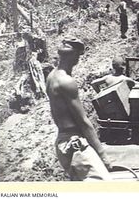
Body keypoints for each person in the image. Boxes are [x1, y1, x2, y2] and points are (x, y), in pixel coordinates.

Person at [46, 37, 112, 181]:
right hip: (74, 143)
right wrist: (103, 155)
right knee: (106, 184)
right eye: (78, 55)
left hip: (62, 140)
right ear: (74, 56)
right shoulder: (67, 82)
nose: (79, 59)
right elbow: (83, 121)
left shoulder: (51, 77)